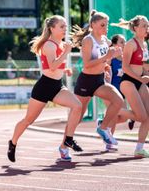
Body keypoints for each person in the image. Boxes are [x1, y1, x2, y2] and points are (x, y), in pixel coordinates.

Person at [7, 16, 83, 163]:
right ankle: (13, 142)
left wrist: (65, 69)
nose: (65, 29)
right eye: (62, 26)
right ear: (51, 29)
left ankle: (68, 139)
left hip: (57, 85)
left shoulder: (61, 44)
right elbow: (52, 65)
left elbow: (55, 67)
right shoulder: (49, 45)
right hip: (44, 86)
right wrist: (66, 52)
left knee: (77, 106)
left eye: (65, 27)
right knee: (28, 120)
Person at [70, 10, 129, 148]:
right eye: (103, 25)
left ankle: (102, 127)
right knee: (78, 116)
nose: (106, 28)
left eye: (107, 25)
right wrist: (107, 57)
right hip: (86, 81)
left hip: (99, 80)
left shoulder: (105, 40)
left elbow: (106, 59)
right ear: (93, 25)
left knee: (118, 100)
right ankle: (65, 144)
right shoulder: (88, 40)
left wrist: (106, 67)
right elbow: (87, 64)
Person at [112, 16, 149, 157]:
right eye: (144, 26)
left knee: (147, 117)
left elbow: (144, 66)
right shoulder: (130, 44)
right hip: (128, 81)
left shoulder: (144, 44)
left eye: (147, 26)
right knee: (141, 116)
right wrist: (140, 78)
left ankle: (139, 148)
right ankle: (115, 111)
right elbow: (126, 68)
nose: (147, 28)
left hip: (140, 81)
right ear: (135, 28)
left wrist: (146, 74)